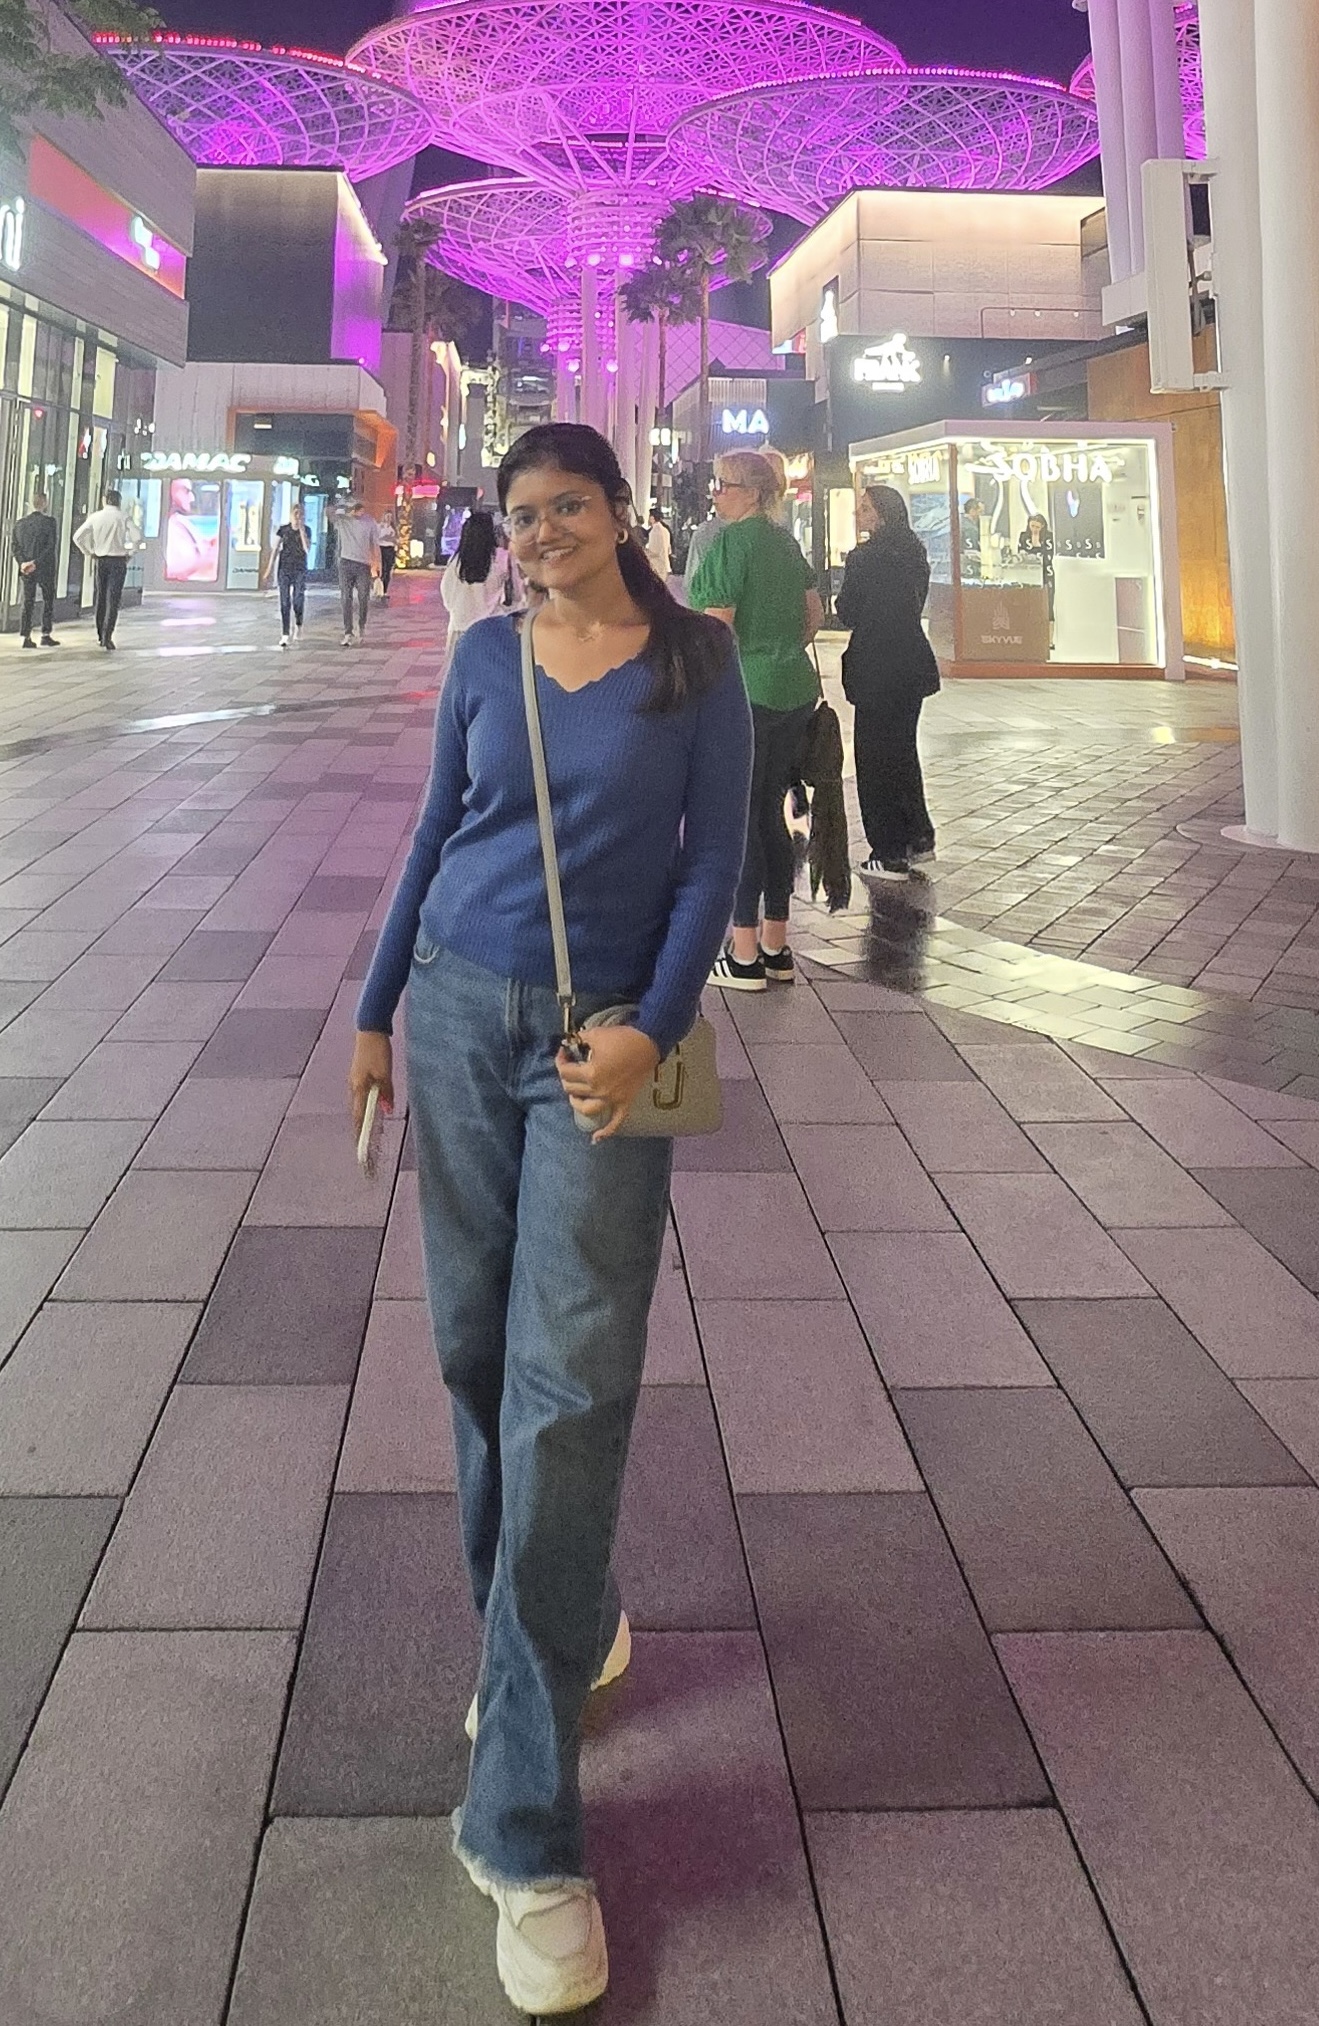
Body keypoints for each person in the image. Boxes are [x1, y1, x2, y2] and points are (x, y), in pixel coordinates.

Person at [349, 421, 751, 2017]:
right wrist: (374, 1011)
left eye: (566, 505)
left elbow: (711, 864)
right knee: (471, 1351)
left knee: (569, 1385)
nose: (540, 534)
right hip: (458, 1012)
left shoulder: (695, 663)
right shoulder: (483, 658)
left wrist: (655, 1024)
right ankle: (556, 1624)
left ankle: (521, 1821)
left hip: (602, 1050)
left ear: (620, 510)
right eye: (519, 515)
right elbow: (429, 838)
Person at [689, 447, 823, 991]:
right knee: (770, 812)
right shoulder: (784, 542)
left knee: (741, 816)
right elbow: (813, 615)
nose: (716, 494)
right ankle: (775, 945)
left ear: (751, 492)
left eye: (723, 485)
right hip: (793, 691)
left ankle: (742, 953)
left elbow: (717, 629)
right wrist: (780, 649)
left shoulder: (731, 543)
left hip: (744, 694)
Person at [835, 484, 940, 882]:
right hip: (911, 662)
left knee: (875, 758)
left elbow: (848, 611)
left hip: (877, 664)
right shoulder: (915, 553)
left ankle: (888, 851)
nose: (858, 514)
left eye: (865, 508)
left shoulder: (863, 558)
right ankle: (918, 836)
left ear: (880, 514)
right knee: (902, 751)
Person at [72, 488, 140, 651]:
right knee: (113, 599)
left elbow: (77, 537)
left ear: (104, 500)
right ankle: (107, 636)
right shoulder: (123, 517)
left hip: (101, 560)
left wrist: (89, 552)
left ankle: (99, 634)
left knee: (101, 597)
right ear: (119, 501)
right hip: (118, 561)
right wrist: (130, 553)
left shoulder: (95, 517)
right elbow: (137, 537)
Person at [440, 507, 511, 661]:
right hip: (492, 629)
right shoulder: (502, 559)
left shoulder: (455, 562)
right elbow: (516, 597)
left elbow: (447, 597)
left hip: (460, 628)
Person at [10, 490, 59, 649]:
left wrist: (23, 563)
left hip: (26, 569)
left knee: (27, 601)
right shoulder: (50, 522)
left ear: (31, 503)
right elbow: (50, 546)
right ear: (44, 503)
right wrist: (36, 562)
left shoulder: (20, 524)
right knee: (47, 600)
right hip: (45, 568)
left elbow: (15, 546)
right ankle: (45, 634)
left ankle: (26, 636)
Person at [329, 496, 380, 646]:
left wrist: (377, 566)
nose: (357, 511)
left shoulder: (369, 522)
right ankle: (348, 632)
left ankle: (361, 625)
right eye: (354, 508)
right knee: (346, 597)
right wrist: (343, 507)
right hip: (346, 562)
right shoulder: (343, 520)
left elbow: (375, 545)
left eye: (358, 508)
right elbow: (329, 512)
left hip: (363, 564)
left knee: (364, 597)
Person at [260, 501, 310, 647]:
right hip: (285, 569)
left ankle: (298, 624)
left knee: (298, 599)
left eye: (300, 514)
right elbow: (275, 550)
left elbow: (307, 549)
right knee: (284, 601)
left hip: (299, 569)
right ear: (291, 515)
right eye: (295, 514)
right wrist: (269, 569)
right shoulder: (283, 530)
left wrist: (301, 531)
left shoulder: (307, 530)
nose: (297, 517)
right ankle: (285, 633)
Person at [1018, 511, 1056, 624]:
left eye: (1037, 527)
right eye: (1032, 526)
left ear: (1042, 526)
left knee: (1047, 600)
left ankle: (1048, 625)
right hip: (1029, 573)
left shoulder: (1048, 537)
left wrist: (1037, 545)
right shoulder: (1024, 536)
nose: (1034, 529)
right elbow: (1020, 554)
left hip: (1046, 572)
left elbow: (1048, 555)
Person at [644, 506, 672, 579]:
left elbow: (653, 551)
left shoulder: (654, 532)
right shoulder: (666, 531)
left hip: (657, 567)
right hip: (666, 566)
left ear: (652, 518)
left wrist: (644, 551)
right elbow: (669, 550)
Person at [376, 512, 398, 598]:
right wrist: (384, 537)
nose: (389, 518)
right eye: (387, 516)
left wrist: (393, 539)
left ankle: (385, 590)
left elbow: (396, 539)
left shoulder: (393, 528)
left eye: (390, 517)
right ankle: (379, 589)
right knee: (382, 568)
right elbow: (376, 537)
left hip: (390, 548)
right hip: (381, 548)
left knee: (388, 570)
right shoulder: (380, 526)